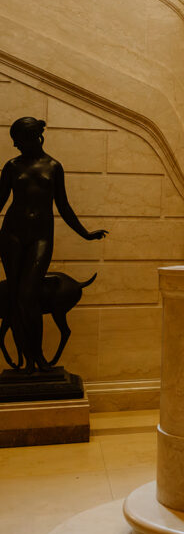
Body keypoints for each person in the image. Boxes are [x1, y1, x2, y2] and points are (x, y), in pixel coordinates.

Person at [0, 117, 107, 373]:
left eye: (21, 141)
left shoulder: (54, 167)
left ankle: (39, 358)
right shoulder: (12, 167)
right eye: (16, 142)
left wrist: (86, 234)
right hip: (12, 235)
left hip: (41, 237)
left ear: (36, 137)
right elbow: (0, 200)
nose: (17, 146)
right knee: (16, 299)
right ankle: (26, 363)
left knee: (28, 295)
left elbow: (64, 206)